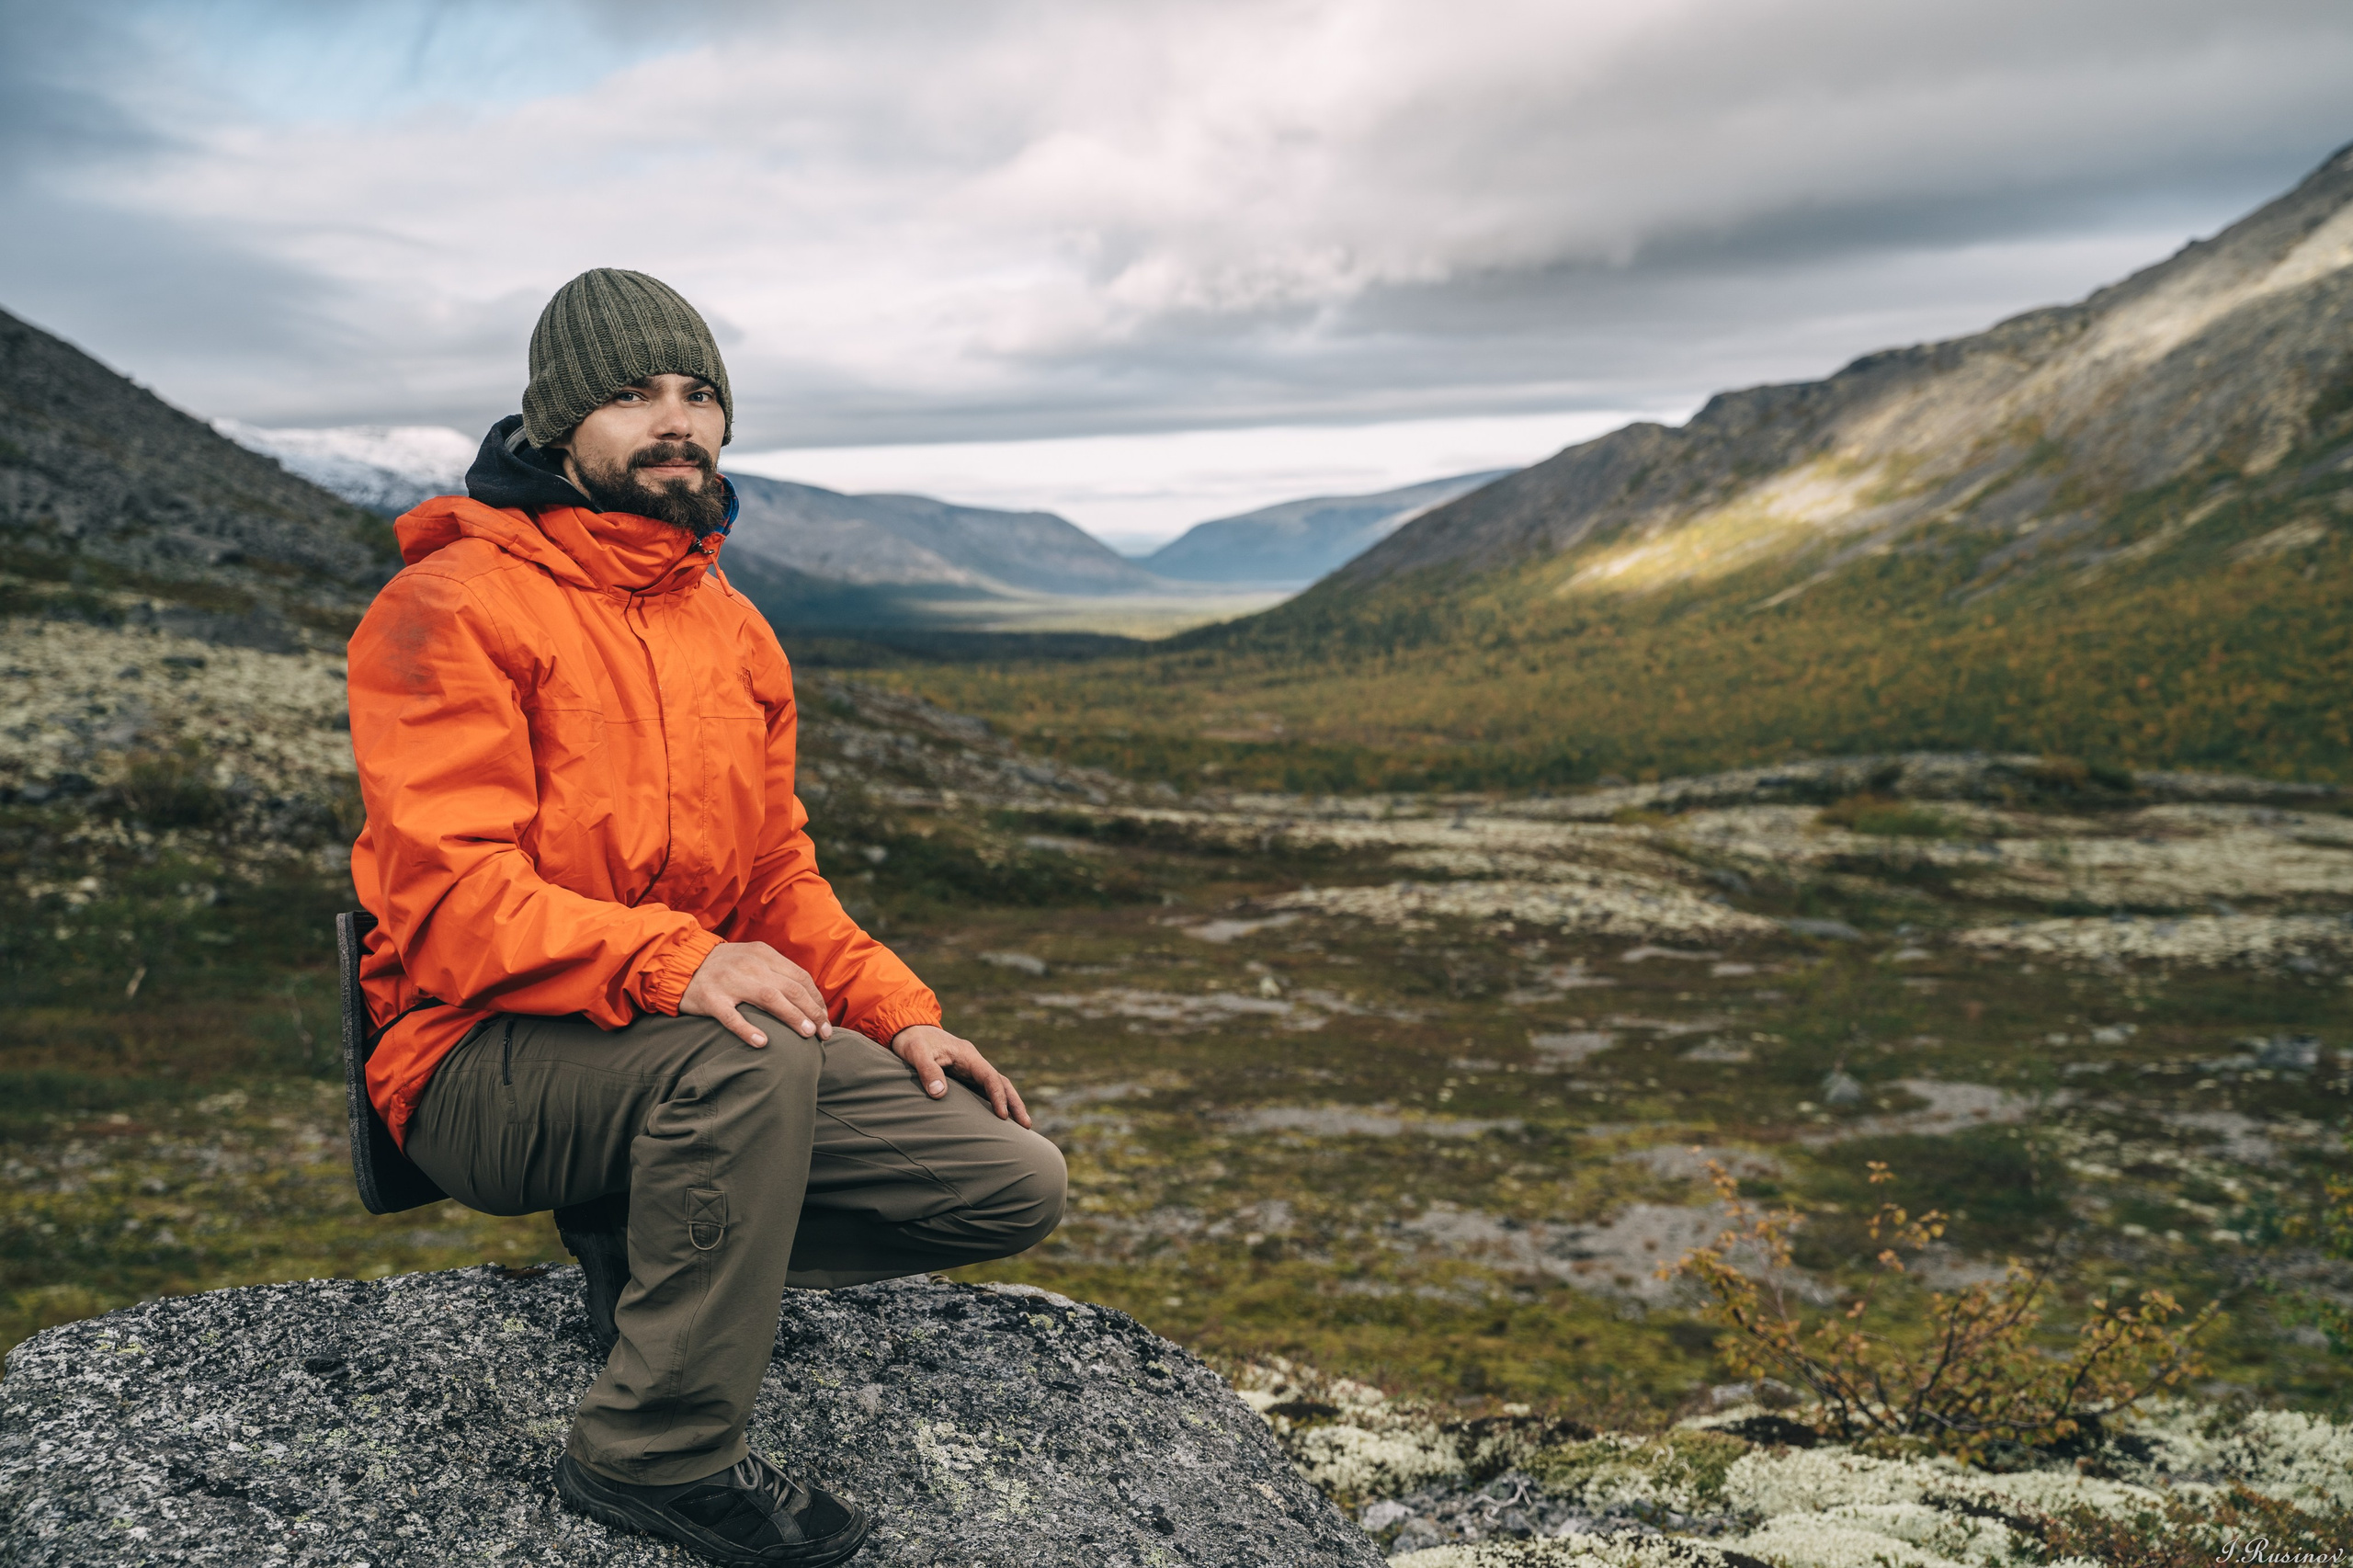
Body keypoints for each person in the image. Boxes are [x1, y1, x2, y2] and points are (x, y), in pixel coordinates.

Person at [346, 267, 1065, 1567]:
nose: (675, 419)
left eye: (698, 393)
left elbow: (776, 874)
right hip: (475, 1056)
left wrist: (899, 1013)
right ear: (561, 426)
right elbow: (451, 902)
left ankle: (648, 1235)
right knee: (749, 1060)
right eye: (631, 393)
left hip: (676, 1046)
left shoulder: (732, 628)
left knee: (1003, 1176)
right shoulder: (448, 607)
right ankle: (655, 1450)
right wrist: (676, 958)